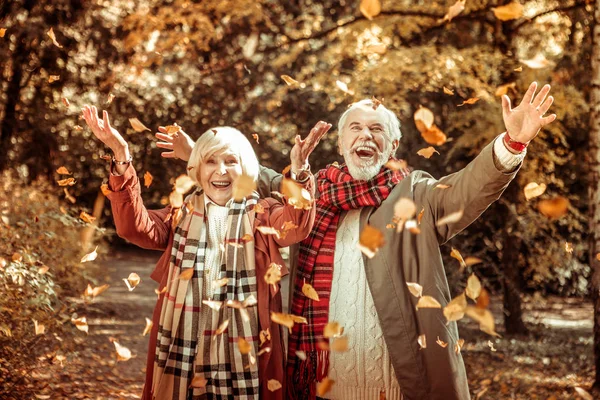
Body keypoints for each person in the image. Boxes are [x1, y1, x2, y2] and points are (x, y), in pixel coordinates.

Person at [158, 82, 556, 400]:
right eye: (356, 127)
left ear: (392, 147)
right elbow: (251, 175)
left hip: (393, 380)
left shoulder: (414, 195)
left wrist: (511, 145)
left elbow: (464, 193)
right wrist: (198, 153)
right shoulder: (312, 195)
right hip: (318, 380)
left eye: (377, 129)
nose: (365, 135)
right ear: (341, 142)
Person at [81, 105, 326, 400]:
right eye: (210, 161)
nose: (220, 171)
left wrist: (299, 171)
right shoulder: (180, 213)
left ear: (246, 169)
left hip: (245, 351)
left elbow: (295, 225)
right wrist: (121, 155)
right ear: (197, 169)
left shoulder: (263, 213)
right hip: (184, 345)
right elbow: (134, 227)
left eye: (231, 161)